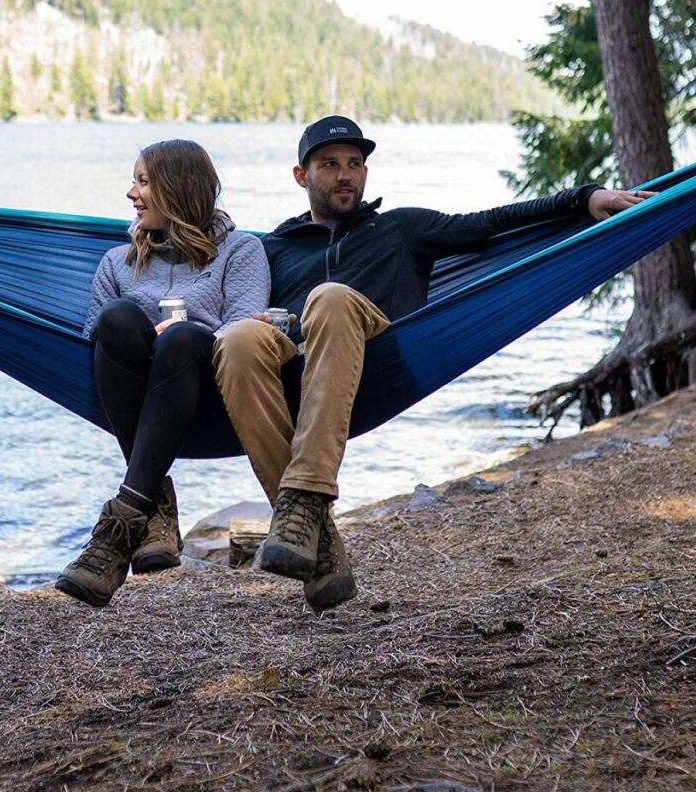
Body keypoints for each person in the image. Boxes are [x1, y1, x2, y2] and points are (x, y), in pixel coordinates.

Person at [213, 115, 651, 613]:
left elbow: (491, 224)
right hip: (296, 373)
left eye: (355, 164)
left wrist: (580, 198)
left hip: (380, 355)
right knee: (238, 340)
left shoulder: (400, 228)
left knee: (331, 297)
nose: (345, 175)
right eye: (330, 164)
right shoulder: (272, 249)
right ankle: (320, 538)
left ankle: (305, 497)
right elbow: (204, 283)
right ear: (301, 176)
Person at [56, 139, 269, 607]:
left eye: (143, 181)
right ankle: (151, 506)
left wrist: (184, 329)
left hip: (207, 389)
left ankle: (121, 525)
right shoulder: (117, 261)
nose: (131, 193)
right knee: (117, 317)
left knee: (182, 337)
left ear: (178, 187)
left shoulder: (241, 251)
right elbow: (100, 339)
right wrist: (147, 335)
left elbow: (245, 333)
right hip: (138, 394)